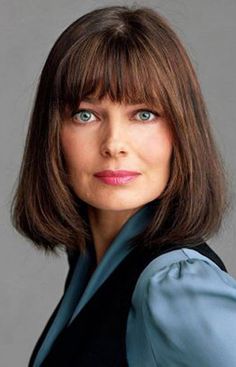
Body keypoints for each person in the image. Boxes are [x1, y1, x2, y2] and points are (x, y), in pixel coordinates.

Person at [10, 5, 236, 367]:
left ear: (181, 131)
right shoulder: (92, 266)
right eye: (86, 115)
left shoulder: (172, 283)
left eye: (144, 114)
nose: (114, 143)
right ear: (53, 134)